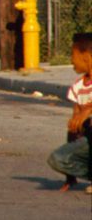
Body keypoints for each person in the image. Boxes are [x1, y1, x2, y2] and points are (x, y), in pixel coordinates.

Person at [47, 32, 92, 194]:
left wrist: (88, 110)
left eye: (73, 55)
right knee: (57, 158)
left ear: (85, 56)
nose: (71, 61)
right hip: (88, 140)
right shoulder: (78, 87)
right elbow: (75, 123)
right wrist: (69, 174)